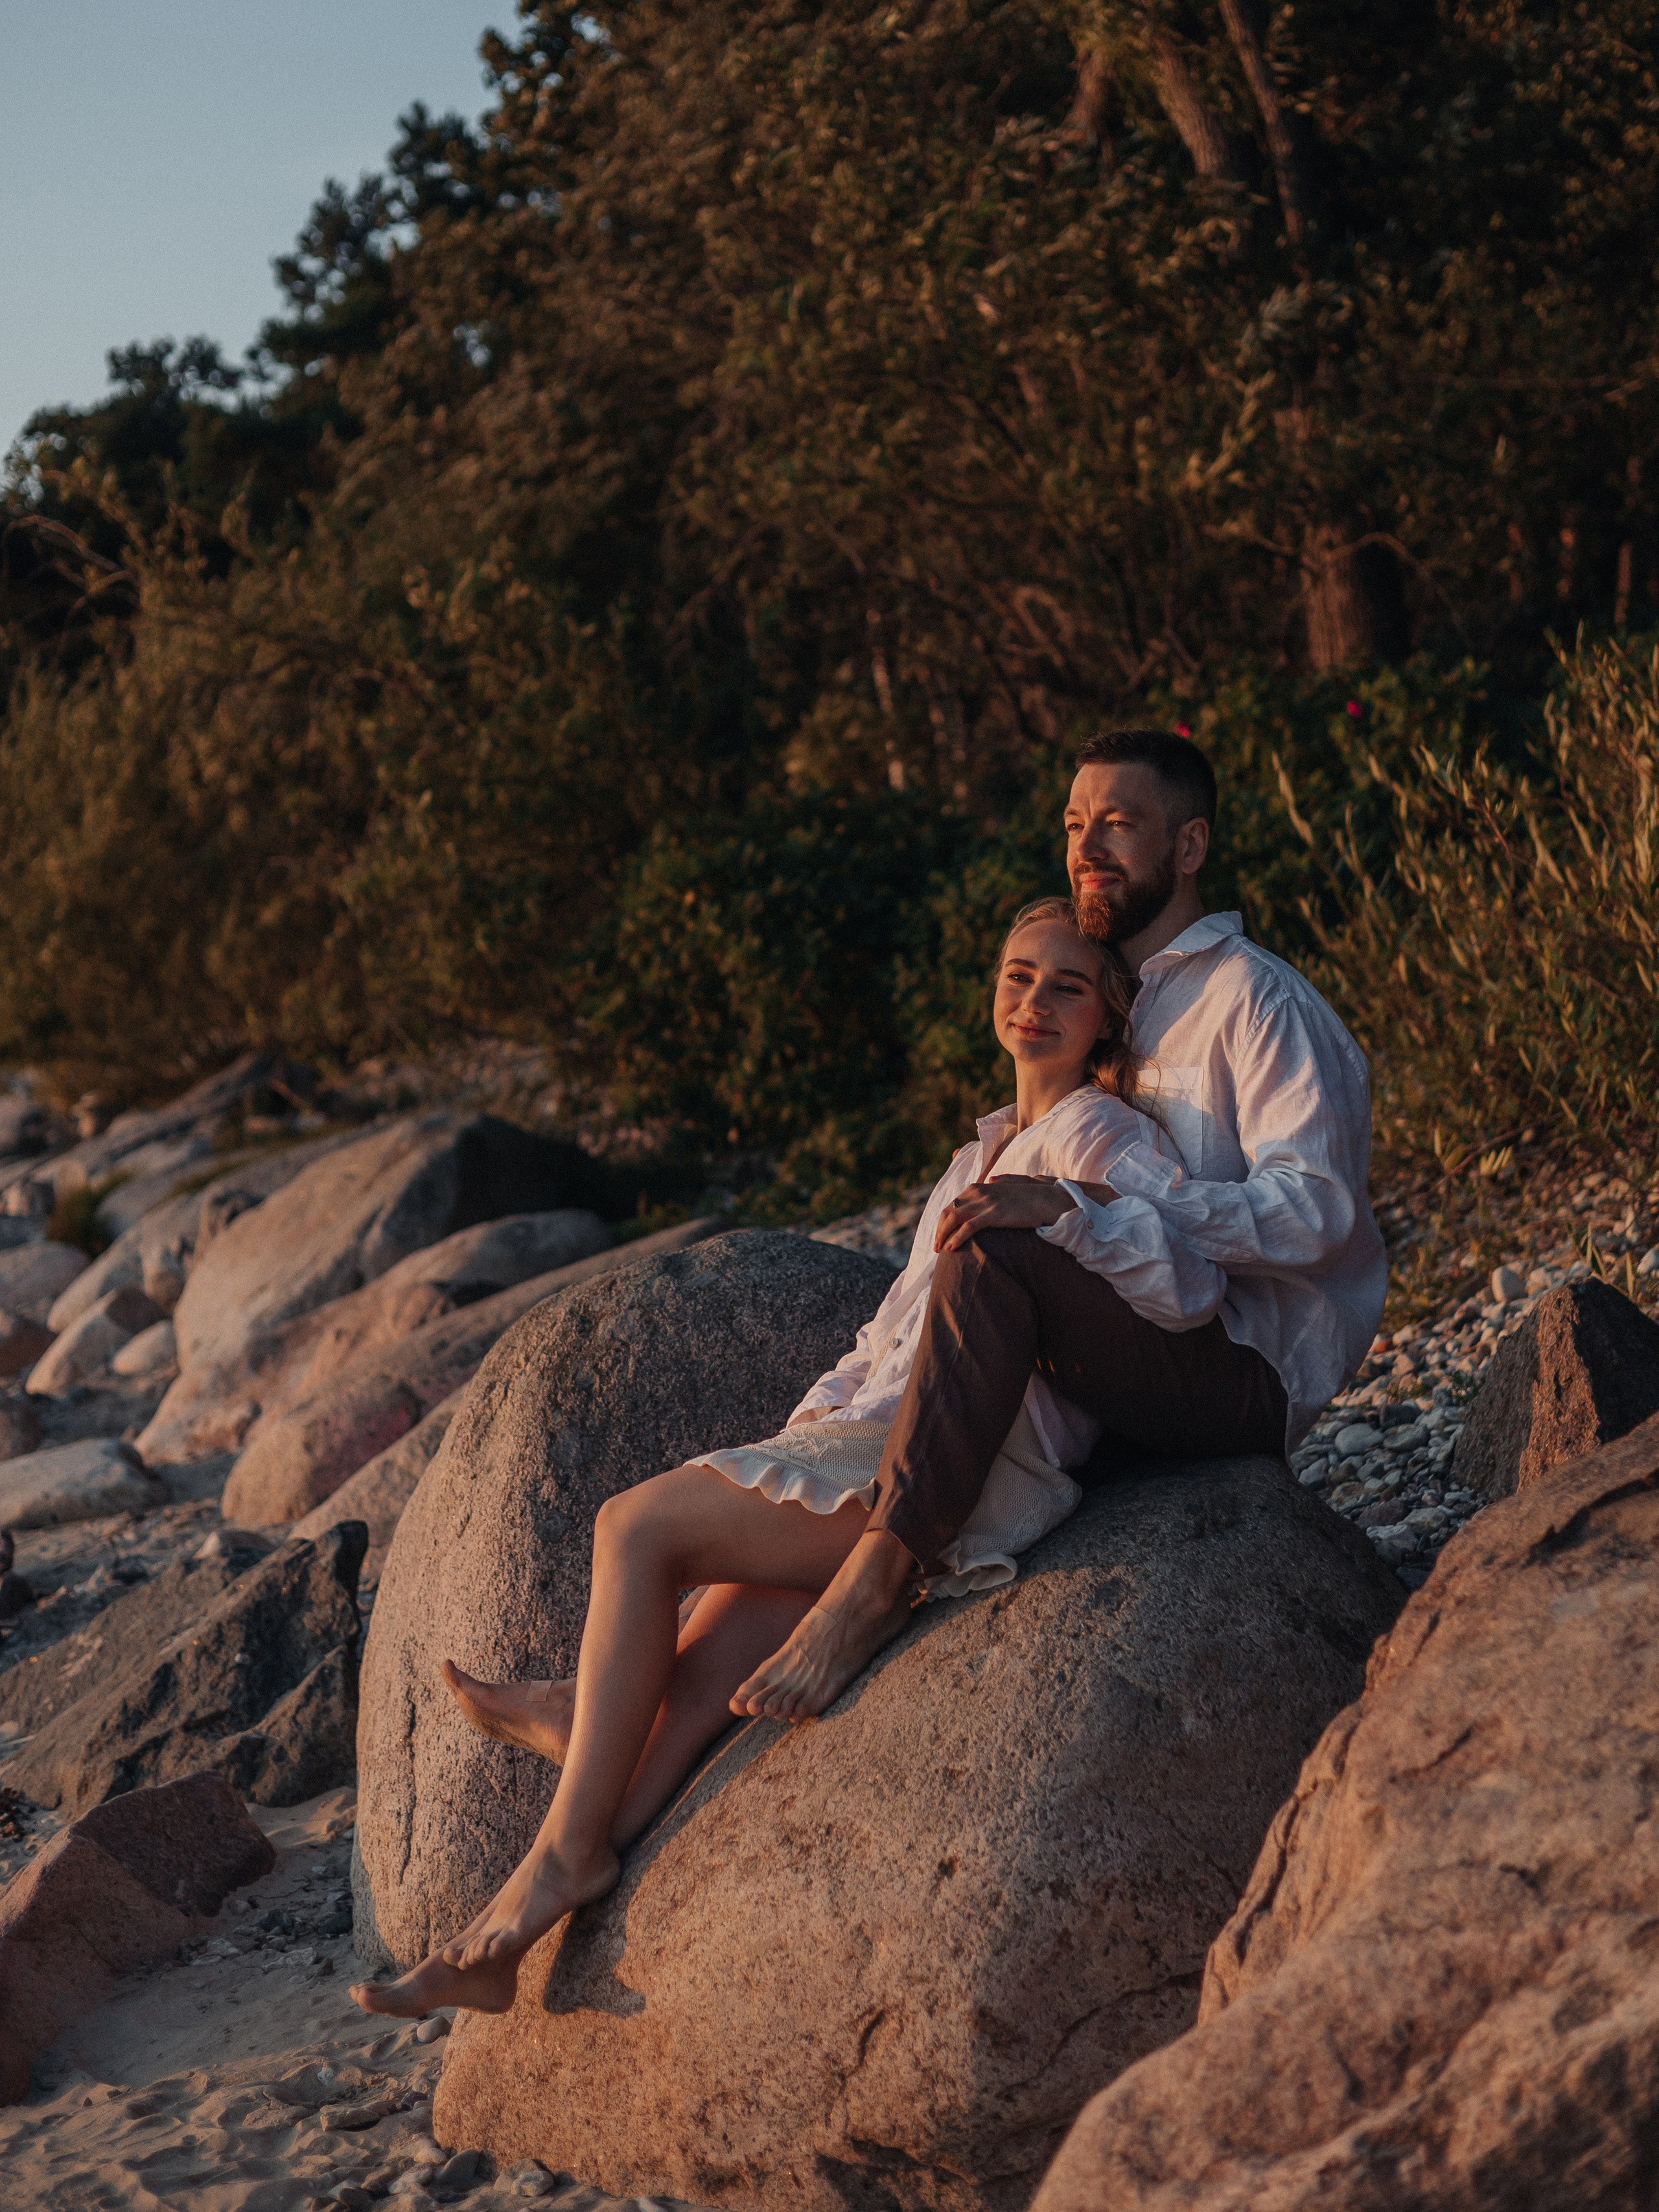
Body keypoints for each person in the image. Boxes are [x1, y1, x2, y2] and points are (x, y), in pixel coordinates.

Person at [351, 897, 1216, 2021]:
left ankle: (576, 1796)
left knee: (635, 1525)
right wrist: (794, 1442)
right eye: (1017, 976)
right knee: (709, 1672)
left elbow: (1181, 1273)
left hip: (961, 1462)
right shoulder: (976, 1150)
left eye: (1066, 984)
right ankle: (505, 1927)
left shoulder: (1108, 1135)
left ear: (1109, 1017)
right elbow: (885, 1337)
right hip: (869, 1439)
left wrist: (1064, 1203)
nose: (1034, 1001)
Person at [726, 725, 1386, 1723]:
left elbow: (1318, 1216)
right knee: (945, 1307)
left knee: (1000, 1249)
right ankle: (650, 1705)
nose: (1087, 849)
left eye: (1118, 824)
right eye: (1077, 824)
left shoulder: (1258, 1002)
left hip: (1239, 1369)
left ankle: (876, 1582)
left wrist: (1085, 1208)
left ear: (1192, 846)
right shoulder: (1119, 991)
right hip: (1134, 1338)